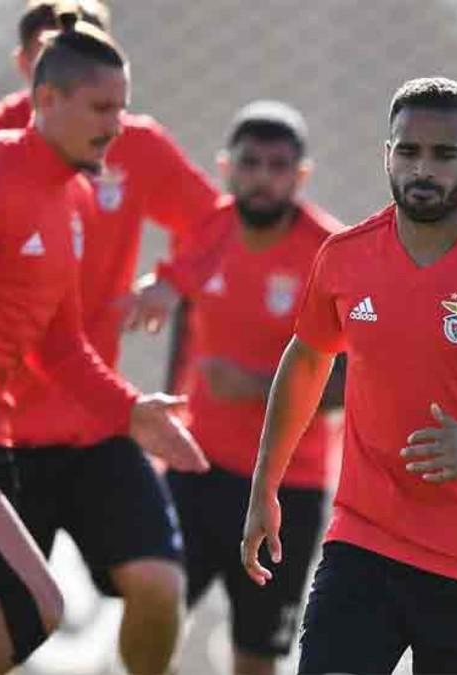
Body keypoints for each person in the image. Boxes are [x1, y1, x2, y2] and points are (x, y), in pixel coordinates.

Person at [0, 4, 223, 672]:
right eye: (101, 107)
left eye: (120, 106)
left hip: (29, 430)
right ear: (39, 84)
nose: (115, 124)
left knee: (114, 596)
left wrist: (132, 403)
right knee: (15, 615)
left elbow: (59, 341)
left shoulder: (74, 187)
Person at [240, 77, 457, 674]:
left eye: (444, 154)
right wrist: (264, 487)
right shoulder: (345, 256)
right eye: (408, 151)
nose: (422, 169)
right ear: (387, 155)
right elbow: (306, 359)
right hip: (364, 542)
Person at [143, 101, 345, 675]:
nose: (262, 177)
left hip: (286, 486)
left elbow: (352, 381)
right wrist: (169, 405)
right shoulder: (208, 231)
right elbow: (183, 310)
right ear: (226, 167)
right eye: (250, 163)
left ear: (300, 176)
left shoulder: (329, 254)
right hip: (195, 469)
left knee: (255, 654)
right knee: (153, 612)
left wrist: (256, 385)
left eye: (278, 165)